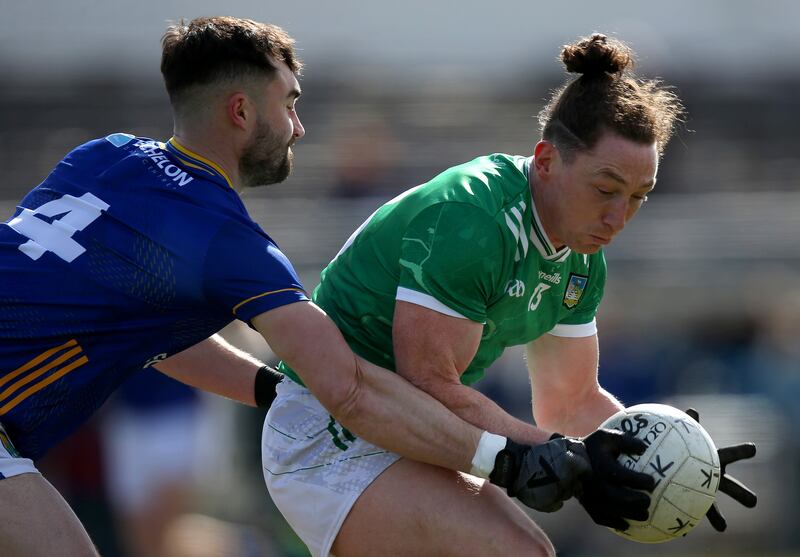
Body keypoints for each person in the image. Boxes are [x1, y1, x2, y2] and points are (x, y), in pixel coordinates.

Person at [0, 17, 595, 556]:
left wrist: (275, 390)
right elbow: (351, 389)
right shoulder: (225, 240)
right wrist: (503, 459)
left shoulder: (104, 155)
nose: (299, 127)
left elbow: (150, 335)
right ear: (241, 111)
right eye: (289, 103)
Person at [263, 34, 758, 557]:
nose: (619, 217)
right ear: (546, 161)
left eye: (639, 196)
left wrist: (670, 462)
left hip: (414, 430)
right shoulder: (472, 219)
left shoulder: (581, 257)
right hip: (328, 430)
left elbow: (570, 401)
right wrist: (561, 457)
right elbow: (428, 383)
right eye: (605, 189)